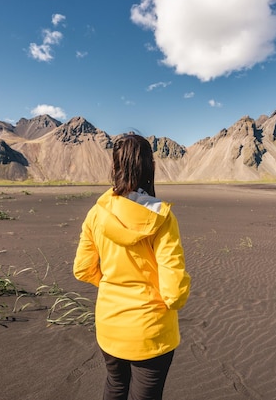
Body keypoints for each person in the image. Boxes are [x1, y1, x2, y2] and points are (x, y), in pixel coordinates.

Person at [73, 134, 191, 400]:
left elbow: (82, 269)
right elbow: (174, 293)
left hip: (110, 325)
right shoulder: (162, 217)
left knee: (114, 387)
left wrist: (112, 285)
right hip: (151, 333)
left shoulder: (96, 213)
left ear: (115, 167)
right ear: (149, 167)